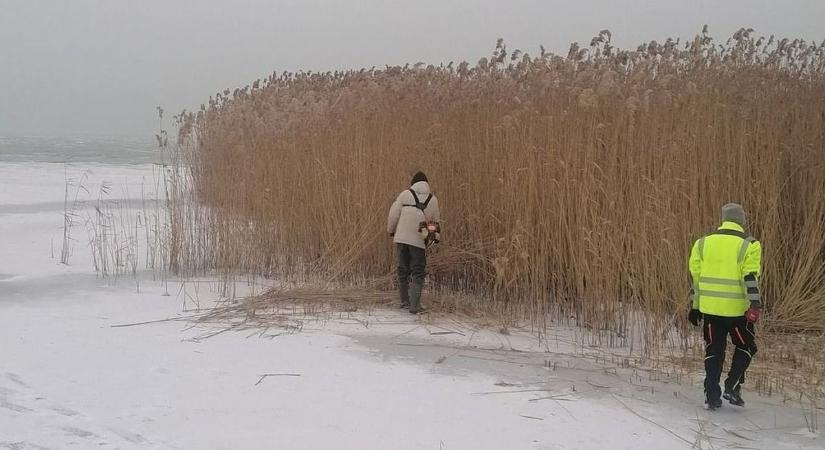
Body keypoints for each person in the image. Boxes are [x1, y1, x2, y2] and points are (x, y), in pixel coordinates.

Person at [688, 203, 763, 410]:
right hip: (738, 312)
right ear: (742, 220)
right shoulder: (750, 244)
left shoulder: (702, 243)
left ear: (723, 219)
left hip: (710, 310)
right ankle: (732, 386)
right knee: (747, 346)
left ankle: (711, 396)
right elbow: (750, 277)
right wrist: (755, 304)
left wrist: (695, 306)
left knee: (714, 350)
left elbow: (695, 278)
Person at [387, 171, 441, 314]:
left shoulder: (405, 194)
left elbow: (393, 215)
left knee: (403, 270)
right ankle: (415, 305)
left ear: (413, 183)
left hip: (401, 238)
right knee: (418, 270)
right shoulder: (433, 199)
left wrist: (391, 230)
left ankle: (404, 301)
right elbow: (434, 222)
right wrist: (434, 239)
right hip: (418, 240)